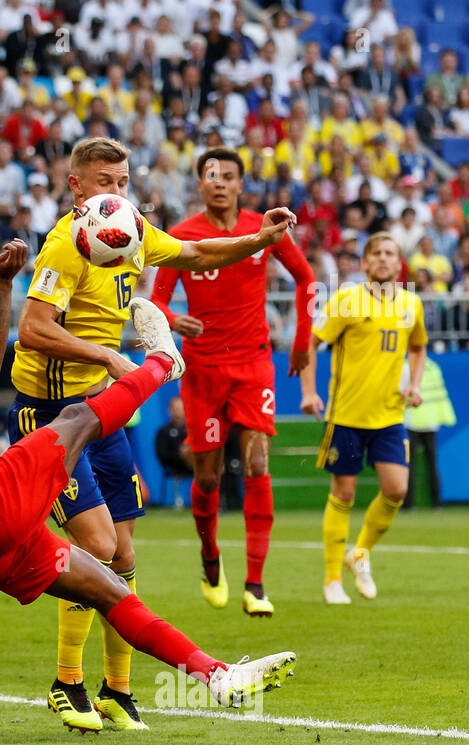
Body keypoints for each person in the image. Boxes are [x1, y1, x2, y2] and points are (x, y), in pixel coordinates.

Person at [0, 255, 297, 730]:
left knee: (108, 588)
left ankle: (215, 675)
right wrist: (2, 283)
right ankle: (161, 362)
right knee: (76, 418)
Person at [11, 136, 299, 732]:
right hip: (51, 412)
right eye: (102, 181)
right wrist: (111, 357)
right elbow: (33, 329)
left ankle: (119, 690)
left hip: (103, 409)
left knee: (126, 551)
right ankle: (66, 683)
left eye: (121, 180)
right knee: (95, 546)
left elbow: (193, 255)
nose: (114, 191)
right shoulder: (66, 245)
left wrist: (258, 240)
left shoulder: (133, 228)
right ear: (76, 186)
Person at [151, 147, 316, 617]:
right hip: (203, 369)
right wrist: (174, 318)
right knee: (207, 475)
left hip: (253, 364)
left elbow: (307, 280)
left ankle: (256, 583)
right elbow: (156, 302)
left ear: (241, 184)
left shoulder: (262, 228)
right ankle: (209, 555)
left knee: (258, 462)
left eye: (228, 175)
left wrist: (302, 343)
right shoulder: (180, 237)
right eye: (210, 175)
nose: (220, 182)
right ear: (200, 185)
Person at [300, 233, 426, 606]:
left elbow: (418, 346)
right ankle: (332, 579)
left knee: (397, 490)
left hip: (389, 415)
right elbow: (311, 341)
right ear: (366, 262)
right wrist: (309, 392)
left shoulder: (410, 305)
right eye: (377, 253)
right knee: (344, 493)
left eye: (390, 254)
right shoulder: (346, 300)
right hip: (346, 416)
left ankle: (360, 553)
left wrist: (415, 384)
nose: (384, 259)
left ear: (399, 262)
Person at [403, 355, 455, 510]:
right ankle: (437, 503)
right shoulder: (433, 367)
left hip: (411, 420)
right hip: (431, 421)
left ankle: (408, 504)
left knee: (409, 464)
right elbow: (441, 395)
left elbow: (402, 394)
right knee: (431, 463)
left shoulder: (405, 366)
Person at [153, 396, 192, 509]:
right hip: (175, 465)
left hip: (193, 465)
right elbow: (161, 454)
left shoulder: (191, 429)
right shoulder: (163, 431)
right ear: (169, 410)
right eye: (175, 408)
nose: (178, 412)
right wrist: (179, 454)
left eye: (181, 408)